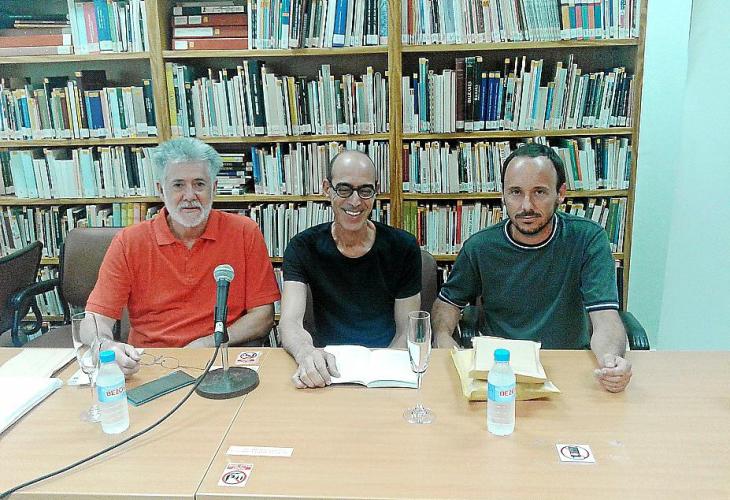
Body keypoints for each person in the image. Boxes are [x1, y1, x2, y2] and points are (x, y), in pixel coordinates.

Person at [431, 143, 632, 393]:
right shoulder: (480, 246)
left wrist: (611, 361)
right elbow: (448, 303)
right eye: (515, 192)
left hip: (568, 364)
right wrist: (443, 337)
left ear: (560, 193)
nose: (526, 205)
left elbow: (605, 317)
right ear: (503, 195)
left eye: (539, 192)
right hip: (501, 369)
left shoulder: (587, 239)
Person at [84, 138, 281, 375]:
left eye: (199, 184)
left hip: (221, 357)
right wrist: (105, 345)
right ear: (161, 190)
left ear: (214, 188)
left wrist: (208, 343)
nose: (190, 195)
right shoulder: (129, 242)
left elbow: (263, 317)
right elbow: (95, 318)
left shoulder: (244, 232)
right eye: (178, 185)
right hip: (149, 363)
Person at [279, 150, 421, 389]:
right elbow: (290, 322)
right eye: (344, 189)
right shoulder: (302, 247)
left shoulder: (403, 247)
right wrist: (305, 353)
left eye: (365, 190)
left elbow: (406, 330)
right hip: (326, 365)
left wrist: (383, 374)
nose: (355, 201)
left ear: (376, 191)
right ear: (327, 189)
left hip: (386, 361)